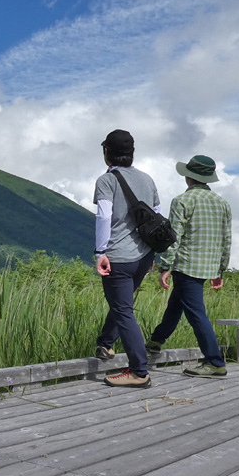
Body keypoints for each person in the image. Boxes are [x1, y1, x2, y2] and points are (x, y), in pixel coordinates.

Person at [145, 155, 232, 377]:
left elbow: (174, 237)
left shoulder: (182, 201)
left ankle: (214, 361)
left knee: (196, 314)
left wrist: (165, 267)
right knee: (177, 304)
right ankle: (156, 341)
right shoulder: (222, 204)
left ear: (188, 177)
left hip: (186, 265)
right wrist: (220, 269)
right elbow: (226, 239)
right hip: (209, 266)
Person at [93, 129, 161, 388]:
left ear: (106, 152)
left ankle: (139, 372)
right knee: (122, 305)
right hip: (143, 255)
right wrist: (151, 253)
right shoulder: (147, 180)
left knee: (123, 311)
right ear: (132, 154)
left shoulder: (106, 181)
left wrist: (101, 252)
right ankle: (106, 345)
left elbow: (103, 217)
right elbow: (156, 216)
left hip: (118, 256)